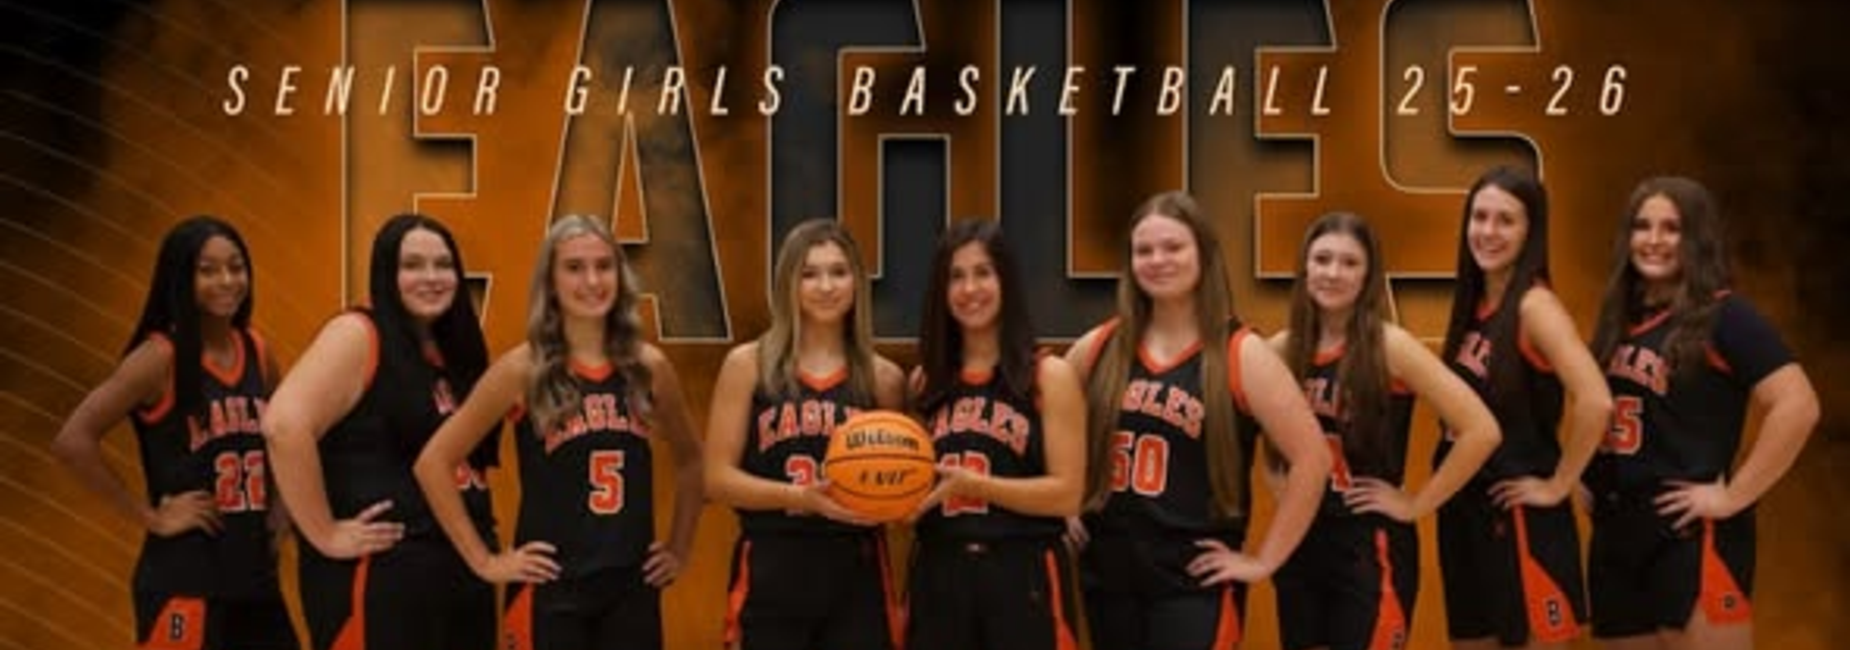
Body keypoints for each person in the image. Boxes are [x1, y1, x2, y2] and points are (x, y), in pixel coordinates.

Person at [412, 215, 705, 650]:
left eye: (604, 266)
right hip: (550, 593)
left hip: (630, 591)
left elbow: (692, 461)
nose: (591, 280)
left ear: (620, 277)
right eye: (574, 268)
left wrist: (679, 547)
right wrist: (485, 561)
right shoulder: (522, 369)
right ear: (550, 282)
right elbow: (433, 463)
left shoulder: (649, 367)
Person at [1063, 191, 1332, 650]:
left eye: (1173, 247)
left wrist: (1264, 561)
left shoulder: (1242, 353)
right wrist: (1064, 507)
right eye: (1144, 250)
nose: (1157, 260)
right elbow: (1046, 429)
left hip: (1191, 582)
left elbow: (1314, 460)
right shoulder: (1098, 346)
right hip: (1106, 573)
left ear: (1203, 255)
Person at [1584, 177, 1818, 650]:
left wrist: (1733, 496)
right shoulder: (1618, 319)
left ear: (1698, 239)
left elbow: (1798, 405)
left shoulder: (1725, 316)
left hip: (1689, 535)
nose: (1653, 240)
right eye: (1642, 226)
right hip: (1617, 536)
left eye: (1671, 228)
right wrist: (1583, 478)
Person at [51, 215, 298, 650]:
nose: (227, 280)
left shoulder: (257, 350)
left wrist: (283, 509)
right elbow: (73, 441)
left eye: (236, 267)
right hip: (185, 582)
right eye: (208, 270)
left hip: (255, 583)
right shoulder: (157, 358)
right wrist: (149, 516)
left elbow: (286, 437)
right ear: (180, 278)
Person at [263, 213, 499, 650]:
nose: (431, 277)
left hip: (458, 572)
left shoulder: (452, 348)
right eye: (412, 265)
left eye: (443, 264)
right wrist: (324, 533)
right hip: (382, 578)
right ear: (385, 273)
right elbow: (283, 425)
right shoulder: (359, 333)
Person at [1268, 212, 1501, 650]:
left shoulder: (1389, 346)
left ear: (1369, 275)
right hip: (1302, 545)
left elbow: (1480, 429)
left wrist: (1416, 504)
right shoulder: (1282, 349)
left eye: (1349, 263)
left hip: (1368, 547)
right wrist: (1279, 483)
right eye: (1322, 259)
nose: (1333, 272)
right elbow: (1260, 435)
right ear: (1305, 267)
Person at [704, 219, 909, 650]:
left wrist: (893, 497)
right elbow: (717, 478)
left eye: (839, 271)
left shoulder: (883, 378)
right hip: (771, 563)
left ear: (857, 283)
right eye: (810, 273)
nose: (826, 286)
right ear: (788, 284)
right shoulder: (748, 365)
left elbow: (903, 492)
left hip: (857, 569)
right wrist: (799, 498)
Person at [1438, 166, 1612, 650]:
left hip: (1516, 516)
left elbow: (1595, 401)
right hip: (1468, 513)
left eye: (1506, 220)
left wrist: (1559, 483)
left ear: (1531, 231)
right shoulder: (1475, 305)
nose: (1488, 231)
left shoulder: (1535, 307)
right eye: (1480, 216)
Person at [905, 220, 1087, 650]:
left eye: (983, 272)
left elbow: (1067, 495)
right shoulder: (923, 382)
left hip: (1023, 573)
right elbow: (911, 485)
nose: (970, 289)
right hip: (938, 571)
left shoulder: (1049, 375)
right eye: (956, 276)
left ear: (1006, 280)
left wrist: (976, 486)